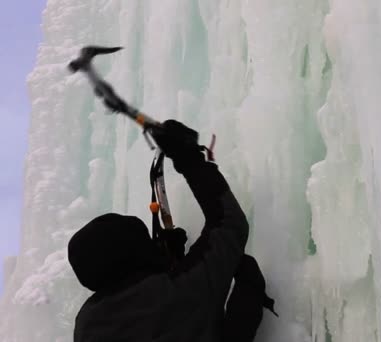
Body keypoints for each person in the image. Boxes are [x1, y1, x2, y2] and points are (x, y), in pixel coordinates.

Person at [67, 120, 275, 342]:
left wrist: (165, 265)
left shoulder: (86, 329)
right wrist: (190, 160)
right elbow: (230, 225)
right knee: (247, 273)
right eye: (145, 243)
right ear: (132, 255)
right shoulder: (178, 291)